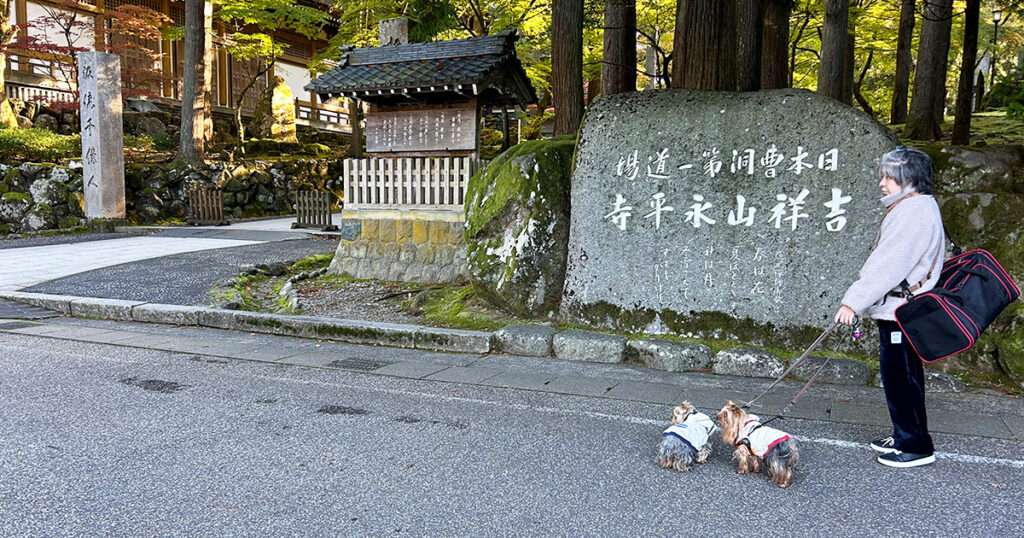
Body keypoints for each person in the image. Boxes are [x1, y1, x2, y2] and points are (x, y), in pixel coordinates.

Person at [834, 146, 944, 468]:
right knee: (904, 376)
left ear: (908, 180)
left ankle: (915, 446)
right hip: (904, 309)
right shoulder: (920, 206)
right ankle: (904, 434)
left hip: (900, 311)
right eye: (882, 176)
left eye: (889, 177)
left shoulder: (911, 212)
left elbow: (888, 265)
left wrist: (852, 302)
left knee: (901, 378)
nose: (882, 183)